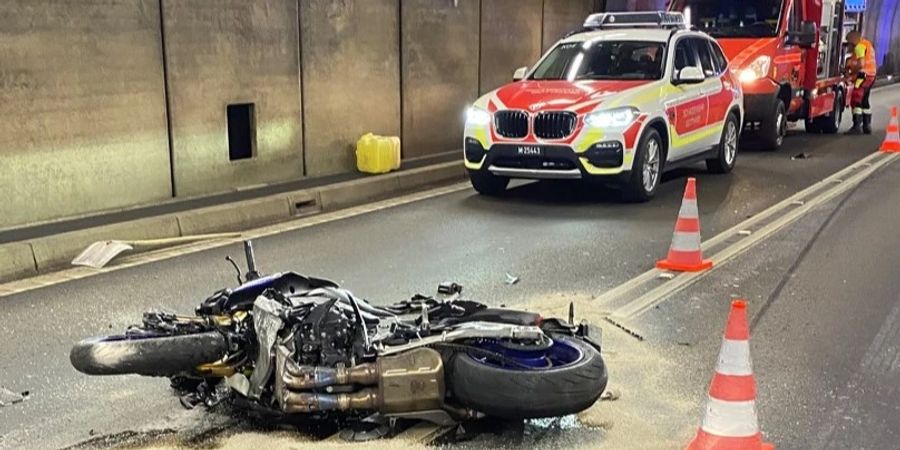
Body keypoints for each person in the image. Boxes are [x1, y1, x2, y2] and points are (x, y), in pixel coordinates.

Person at [845, 30, 877, 135]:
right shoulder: (867, 44)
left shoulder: (859, 47)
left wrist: (851, 73)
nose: (848, 46)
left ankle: (856, 126)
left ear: (853, 41)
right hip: (871, 75)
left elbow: (861, 64)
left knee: (856, 99)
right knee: (865, 100)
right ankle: (867, 126)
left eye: (848, 43)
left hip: (863, 76)